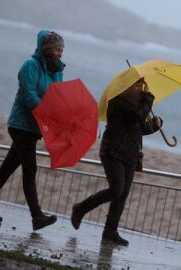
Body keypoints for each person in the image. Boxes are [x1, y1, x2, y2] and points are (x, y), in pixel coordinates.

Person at [0, 30, 65, 231]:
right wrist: (47, 111)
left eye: (62, 50)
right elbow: (28, 95)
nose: (61, 53)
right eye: (58, 49)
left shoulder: (57, 71)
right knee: (30, 169)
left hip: (36, 127)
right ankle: (37, 216)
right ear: (46, 49)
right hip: (21, 124)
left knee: (7, 168)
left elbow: (58, 98)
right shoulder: (30, 66)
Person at [71, 78, 162, 246]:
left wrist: (154, 126)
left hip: (130, 153)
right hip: (113, 151)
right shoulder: (118, 101)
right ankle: (81, 208)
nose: (140, 88)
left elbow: (137, 129)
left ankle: (110, 231)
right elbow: (135, 115)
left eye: (141, 85)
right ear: (126, 86)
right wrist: (148, 99)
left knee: (122, 195)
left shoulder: (138, 103)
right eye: (136, 85)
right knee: (116, 189)